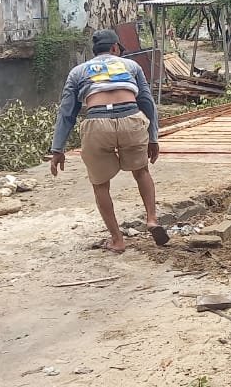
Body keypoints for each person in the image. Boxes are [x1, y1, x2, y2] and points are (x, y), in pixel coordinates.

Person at [49, 29, 168, 253]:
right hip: (130, 118)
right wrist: (153, 137)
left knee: (100, 184)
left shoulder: (78, 71)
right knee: (141, 171)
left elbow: (67, 112)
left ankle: (117, 239)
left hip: (97, 122)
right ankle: (152, 218)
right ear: (115, 48)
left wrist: (58, 149)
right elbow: (147, 102)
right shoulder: (131, 66)